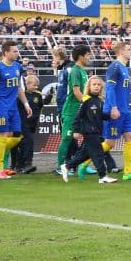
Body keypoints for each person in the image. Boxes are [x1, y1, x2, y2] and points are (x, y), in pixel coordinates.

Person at [0, 40, 32, 180]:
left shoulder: (17, 67)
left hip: (13, 107)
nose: (17, 53)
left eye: (17, 51)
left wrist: (26, 104)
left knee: (16, 137)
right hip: (0, 107)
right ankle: (0, 170)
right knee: (3, 136)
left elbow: (18, 88)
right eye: (14, 51)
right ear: (6, 53)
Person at [60, 76, 119, 184]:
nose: (96, 86)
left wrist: (110, 115)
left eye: (99, 84)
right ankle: (102, 176)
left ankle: (67, 166)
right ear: (89, 87)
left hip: (97, 132)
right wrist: (76, 130)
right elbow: (78, 117)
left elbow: (100, 116)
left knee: (85, 154)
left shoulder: (99, 100)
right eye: (94, 84)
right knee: (98, 154)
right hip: (89, 132)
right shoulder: (86, 100)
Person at [106, 42, 131, 181]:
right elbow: (109, 88)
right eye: (128, 49)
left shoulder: (124, 68)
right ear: (121, 52)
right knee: (110, 144)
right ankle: (83, 163)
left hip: (125, 110)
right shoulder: (115, 66)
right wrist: (113, 107)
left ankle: (128, 173)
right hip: (116, 109)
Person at [56, 45, 90, 173]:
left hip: (80, 110)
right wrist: (87, 104)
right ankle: (61, 167)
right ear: (81, 56)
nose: (90, 57)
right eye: (88, 55)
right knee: (67, 139)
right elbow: (76, 91)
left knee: (89, 137)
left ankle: (82, 165)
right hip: (71, 110)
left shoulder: (83, 71)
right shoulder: (75, 71)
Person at [13, 73, 45, 174]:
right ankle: (27, 164)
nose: (36, 87)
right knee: (29, 142)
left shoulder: (38, 95)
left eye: (37, 85)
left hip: (32, 124)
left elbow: (41, 106)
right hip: (23, 123)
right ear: (27, 84)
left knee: (25, 145)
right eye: (34, 85)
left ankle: (19, 165)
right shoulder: (22, 95)